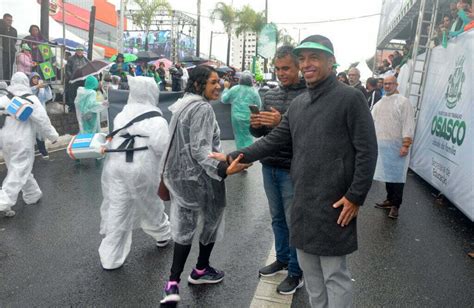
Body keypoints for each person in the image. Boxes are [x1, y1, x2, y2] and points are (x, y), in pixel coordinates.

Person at [215, 35, 378, 307]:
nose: (307, 64)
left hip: (335, 203)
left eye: (314, 57)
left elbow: (367, 150)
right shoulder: (299, 105)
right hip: (303, 200)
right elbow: (272, 140)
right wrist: (233, 155)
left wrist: (356, 196)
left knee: (334, 274)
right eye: (302, 59)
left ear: (331, 61)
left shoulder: (350, 99)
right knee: (312, 275)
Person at [159, 65, 248, 304]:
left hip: (181, 177)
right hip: (203, 177)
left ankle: (172, 283)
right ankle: (200, 270)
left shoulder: (183, 104)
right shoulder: (202, 108)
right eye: (212, 82)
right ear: (198, 84)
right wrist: (223, 169)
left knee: (184, 229)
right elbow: (201, 150)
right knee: (210, 221)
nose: (218, 85)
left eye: (219, 81)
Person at [249, 45, 307, 295]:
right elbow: (261, 135)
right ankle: (282, 259)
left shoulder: (308, 96)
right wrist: (256, 125)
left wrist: (280, 121)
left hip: (293, 169)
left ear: (298, 67)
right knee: (277, 219)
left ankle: (296, 271)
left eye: (287, 68)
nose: (282, 73)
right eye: (278, 68)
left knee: (294, 222)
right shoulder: (269, 94)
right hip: (269, 166)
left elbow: (310, 135)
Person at [98, 76, 171, 270]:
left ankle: (110, 257)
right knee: (151, 203)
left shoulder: (121, 115)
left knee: (117, 207)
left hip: (116, 166)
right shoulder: (157, 120)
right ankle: (162, 234)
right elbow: (163, 147)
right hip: (142, 168)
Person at [0, 72, 59, 217]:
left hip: (5, 140)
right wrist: (53, 136)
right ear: (26, 82)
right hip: (22, 141)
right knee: (18, 170)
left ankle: (32, 194)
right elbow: (42, 120)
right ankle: (3, 201)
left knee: (17, 169)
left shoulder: (4, 99)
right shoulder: (31, 99)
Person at [372, 76, 415, 219]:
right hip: (383, 145)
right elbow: (372, 121)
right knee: (388, 175)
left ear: (396, 84)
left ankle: (396, 205)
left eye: (390, 83)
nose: (387, 86)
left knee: (397, 177)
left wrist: (405, 144)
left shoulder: (403, 102)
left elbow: (408, 123)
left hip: (397, 146)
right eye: (385, 84)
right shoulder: (380, 103)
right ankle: (389, 199)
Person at [221, 72, 261, 149]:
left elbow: (224, 99)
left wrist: (226, 88)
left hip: (236, 117)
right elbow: (258, 105)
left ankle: (240, 156)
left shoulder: (234, 89)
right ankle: (248, 156)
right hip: (249, 117)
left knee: (239, 136)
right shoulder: (254, 91)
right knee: (248, 136)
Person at [30, 72, 53, 159]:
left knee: (40, 132)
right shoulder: (29, 88)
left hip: (40, 113)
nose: (36, 80)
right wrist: (37, 87)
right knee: (31, 132)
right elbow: (29, 91)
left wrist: (46, 88)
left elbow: (48, 97)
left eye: (37, 78)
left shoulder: (41, 89)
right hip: (31, 114)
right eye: (34, 78)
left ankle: (43, 150)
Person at [65, 46, 89, 112]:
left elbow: (88, 70)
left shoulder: (86, 60)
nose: (79, 52)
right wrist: (71, 78)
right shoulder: (71, 59)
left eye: (81, 50)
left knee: (81, 94)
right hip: (73, 80)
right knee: (72, 94)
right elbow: (68, 69)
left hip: (82, 80)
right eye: (78, 50)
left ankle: (80, 107)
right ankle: (72, 108)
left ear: (83, 52)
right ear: (76, 51)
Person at [0, 13, 17, 80]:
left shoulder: (14, 30)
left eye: (11, 20)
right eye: (8, 20)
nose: (10, 22)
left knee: (10, 68)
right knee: (2, 67)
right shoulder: (1, 27)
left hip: (11, 51)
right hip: (2, 51)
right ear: (3, 19)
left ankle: (8, 82)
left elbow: (14, 40)